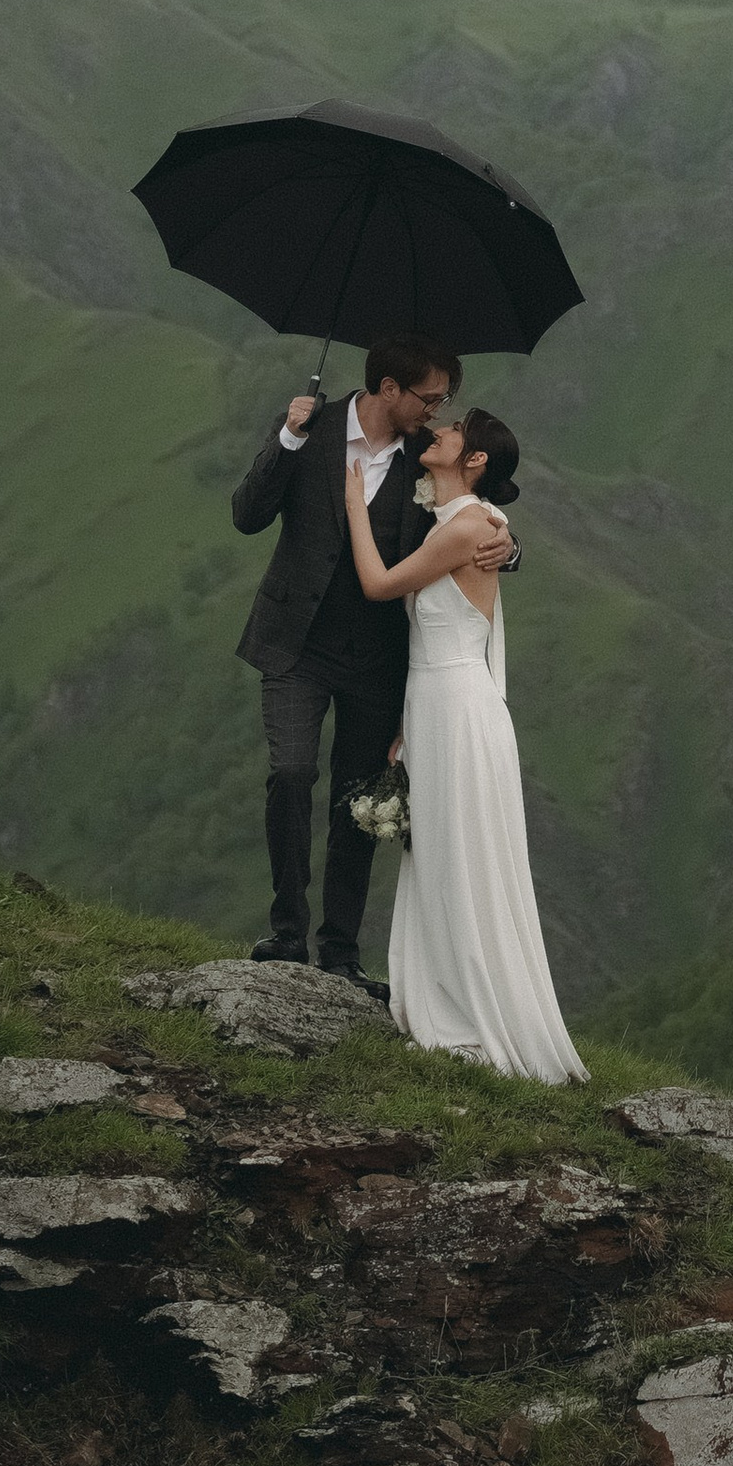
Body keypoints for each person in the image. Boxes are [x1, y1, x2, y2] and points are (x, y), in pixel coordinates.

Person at [229, 336, 511, 987]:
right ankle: (287, 932)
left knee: (356, 803)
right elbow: (247, 515)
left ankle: (340, 953)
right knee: (291, 773)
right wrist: (288, 439)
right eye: (430, 398)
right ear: (389, 389)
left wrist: (509, 547)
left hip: (379, 659)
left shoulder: (429, 455)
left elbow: (476, 509)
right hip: (296, 643)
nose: (438, 411)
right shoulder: (309, 428)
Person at [344, 409, 586, 1083]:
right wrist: (405, 723)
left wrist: (353, 505)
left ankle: (473, 1013)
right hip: (432, 708)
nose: (439, 432)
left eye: (453, 431)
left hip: (457, 708)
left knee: (461, 853)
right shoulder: (459, 522)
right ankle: (447, 995)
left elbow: (379, 585)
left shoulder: (470, 528)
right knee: (441, 854)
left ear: (474, 459)